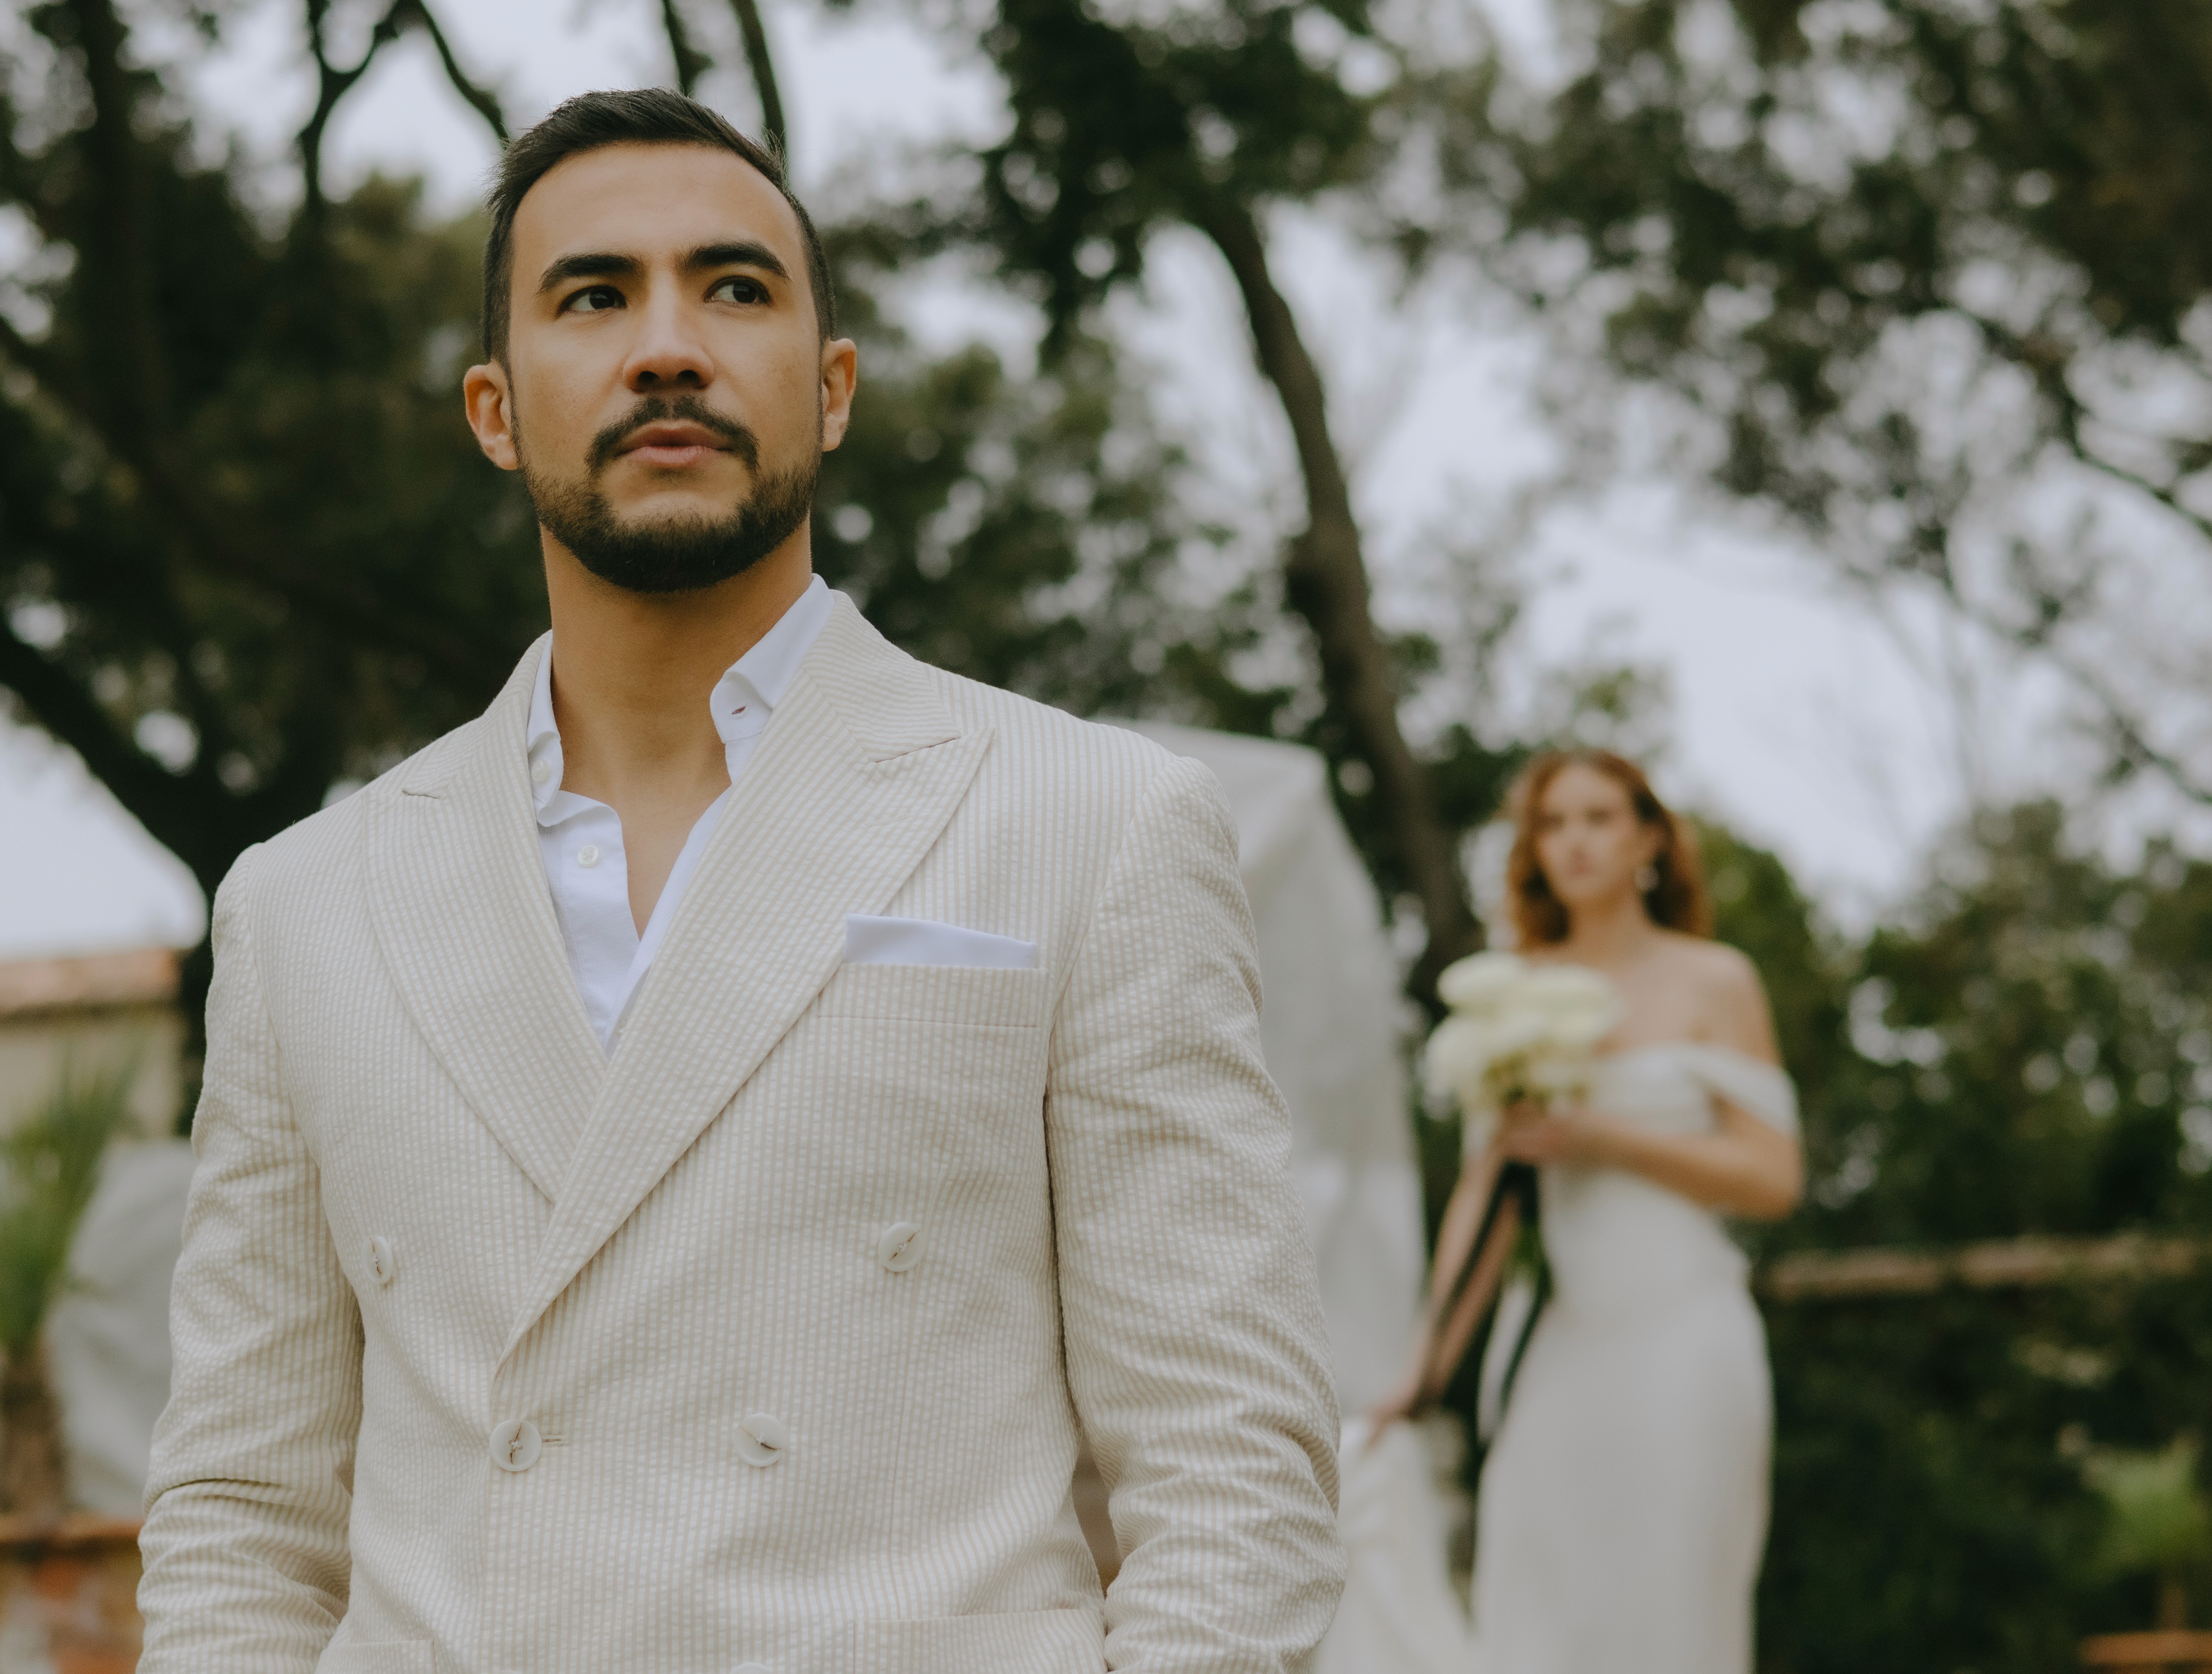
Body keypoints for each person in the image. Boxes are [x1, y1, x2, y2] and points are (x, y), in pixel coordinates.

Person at [134, 89, 1342, 1674]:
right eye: (593, 297)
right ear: (495, 412)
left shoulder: (1095, 822)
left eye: (735, 288)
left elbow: (1229, 1461)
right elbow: (242, 1512)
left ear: (830, 389)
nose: (665, 345)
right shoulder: (302, 908)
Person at [1369, 750, 1803, 1674]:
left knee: (1673, 1593)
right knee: (1538, 1593)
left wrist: (1606, 1136)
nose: (1575, 841)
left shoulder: (1715, 981)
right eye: (1553, 823)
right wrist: (1425, 1365)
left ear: (1649, 837)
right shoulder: (1508, 992)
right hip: (1555, 1345)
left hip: (1683, 1334)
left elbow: (1773, 1178)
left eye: (1599, 817)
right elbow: (1488, 1199)